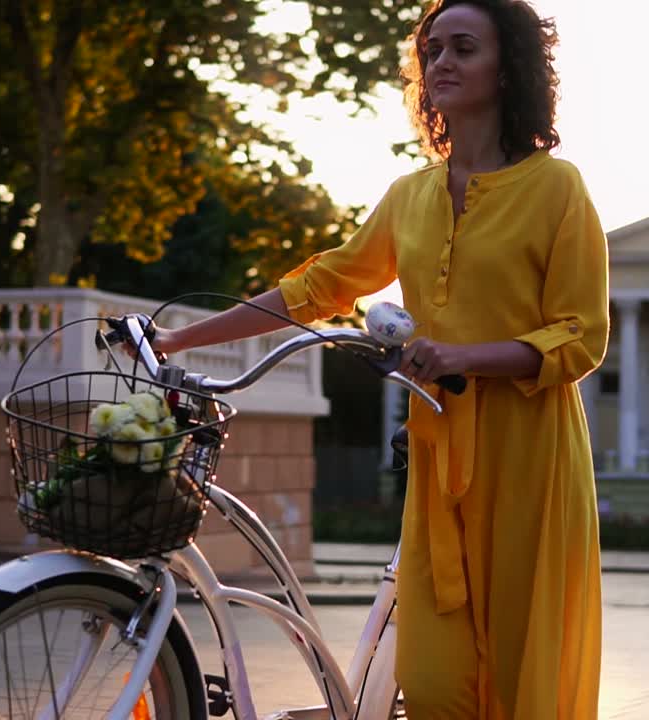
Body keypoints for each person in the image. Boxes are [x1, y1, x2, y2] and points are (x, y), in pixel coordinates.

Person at [150, 1, 608, 716]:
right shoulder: (410, 196)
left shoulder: (557, 187)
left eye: (464, 48)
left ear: (508, 68)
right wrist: (178, 339)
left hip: (530, 457)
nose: (442, 62)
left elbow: (580, 335)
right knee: (432, 681)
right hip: (437, 450)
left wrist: (464, 355)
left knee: (525, 677)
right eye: (433, 50)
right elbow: (318, 287)